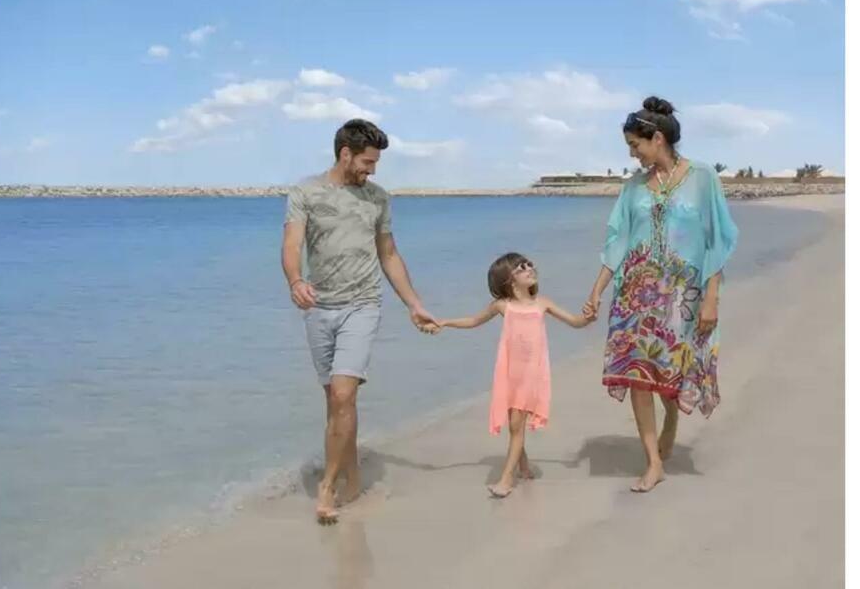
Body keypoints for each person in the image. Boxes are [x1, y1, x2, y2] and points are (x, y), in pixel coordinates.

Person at [281, 118, 439, 524]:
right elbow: (292, 244)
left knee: (343, 395)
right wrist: (296, 280)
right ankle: (351, 477)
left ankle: (327, 487)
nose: (372, 170)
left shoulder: (378, 199)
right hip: (319, 307)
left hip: (362, 305)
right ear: (345, 153)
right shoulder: (305, 192)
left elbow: (389, 254)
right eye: (368, 162)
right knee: (335, 401)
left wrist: (414, 304)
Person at [583, 96, 738, 493]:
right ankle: (653, 462)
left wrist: (711, 298)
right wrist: (597, 290)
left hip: (684, 298)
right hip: (635, 297)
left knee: (673, 369)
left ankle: (671, 416)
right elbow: (617, 241)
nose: (632, 154)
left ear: (657, 139)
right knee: (637, 374)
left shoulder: (703, 178)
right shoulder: (633, 188)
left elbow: (716, 240)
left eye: (635, 145)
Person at [438, 252, 593, 498]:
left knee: (515, 426)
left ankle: (506, 479)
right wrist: (444, 322)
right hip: (510, 373)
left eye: (530, 264)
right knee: (515, 425)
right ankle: (523, 466)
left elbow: (575, 321)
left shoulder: (542, 303)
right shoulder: (503, 306)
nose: (530, 268)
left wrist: (588, 317)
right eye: (522, 267)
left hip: (532, 374)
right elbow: (473, 321)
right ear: (509, 280)